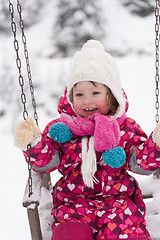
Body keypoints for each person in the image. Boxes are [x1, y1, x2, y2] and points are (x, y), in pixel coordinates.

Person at [14, 39, 160, 240]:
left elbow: (142, 164)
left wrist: (157, 142)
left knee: (127, 235)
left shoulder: (124, 128)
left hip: (119, 205)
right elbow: (46, 163)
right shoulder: (61, 129)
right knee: (68, 236)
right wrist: (32, 142)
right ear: (70, 97)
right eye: (79, 94)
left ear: (112, 96)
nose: (87, 100)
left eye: (96, 92)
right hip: (72, 205)